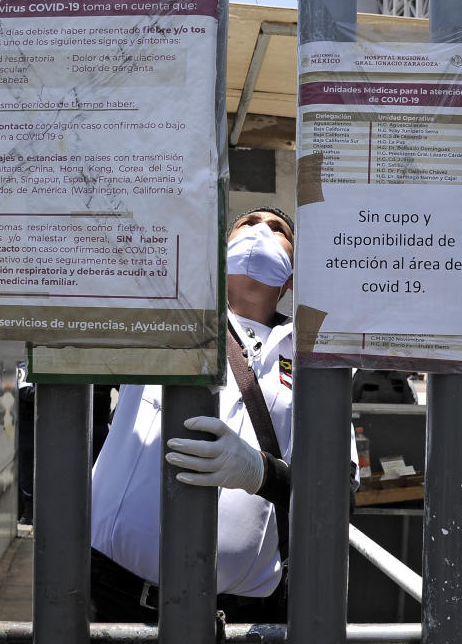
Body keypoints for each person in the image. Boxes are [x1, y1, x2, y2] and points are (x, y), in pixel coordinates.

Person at [91, 207, 353, 623]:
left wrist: (260, 473)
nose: (262, 230)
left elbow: (340, 492)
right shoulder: (162, 311)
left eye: (278, 229)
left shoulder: (316, 358)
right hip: (109, 595)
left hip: (237, 617)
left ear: (289, 280)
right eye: (249, 224)